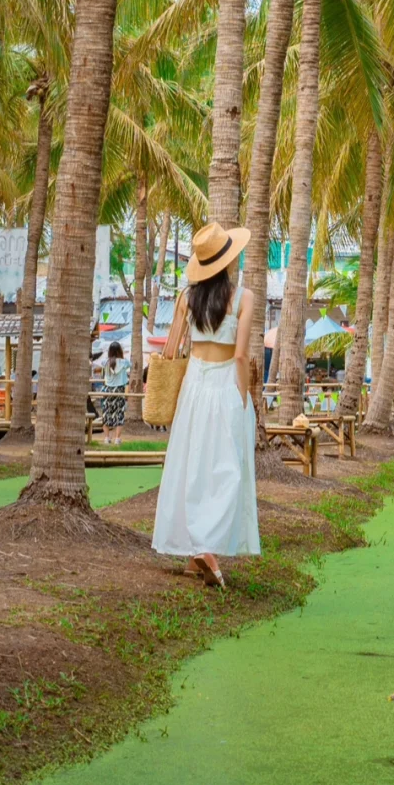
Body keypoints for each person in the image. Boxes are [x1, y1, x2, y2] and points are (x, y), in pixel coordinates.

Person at [152, 223, 260, 589]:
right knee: (226, 467)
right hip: (226, 382)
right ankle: (207, 549)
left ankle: (193, 552)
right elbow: (242, 356)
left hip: (193, 386)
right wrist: (243, 399)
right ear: (228, 260)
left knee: (191, 462)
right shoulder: (244, 298)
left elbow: (169, 350)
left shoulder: (187, 297)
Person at [101, 341, 130, 446]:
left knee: (106, 414)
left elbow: (103, 364)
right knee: (119, 414)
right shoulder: (124, 362)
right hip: (119, 391)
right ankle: (117, 438)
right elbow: (129, 365)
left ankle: (107, 438)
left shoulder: (105, 362)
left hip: (108, 390)